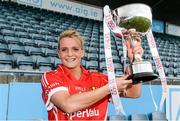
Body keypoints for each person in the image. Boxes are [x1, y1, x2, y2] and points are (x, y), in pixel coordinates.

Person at [41, 29, 143, 120]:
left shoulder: (99, 79)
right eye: (64, 50)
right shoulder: (50, 77)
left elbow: (133, 93)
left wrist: (135, 59)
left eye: (75, 49)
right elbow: (68, 105)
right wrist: (109, 88)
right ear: (59, 53)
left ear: (82, 52)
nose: (69, 54)